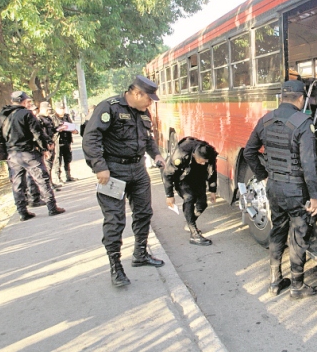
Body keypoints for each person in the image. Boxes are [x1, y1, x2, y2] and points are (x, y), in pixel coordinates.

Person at [82, 76, 166, 287]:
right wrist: (99, 166)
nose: (151, 103)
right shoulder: (108, 108)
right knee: (114, 219)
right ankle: (116, 267)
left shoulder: (143, 113)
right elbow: (91, 137)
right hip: (113, 171)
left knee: (144, 212)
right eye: (149, 98)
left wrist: (156, 154)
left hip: (138, 170)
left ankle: (140, 254)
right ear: (137, 93)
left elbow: (148, 139)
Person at [243, 79, 317, 299]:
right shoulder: (303, 123)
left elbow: (249, 152)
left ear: (281, 98)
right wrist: (315, 197)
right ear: (300, 99)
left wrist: (263, 176)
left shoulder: (265, 120)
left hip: (274, 186)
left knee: (277, 230)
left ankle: (275, 281)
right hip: (296, 189)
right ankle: (297, 286)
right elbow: (308, 165)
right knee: (298, 236)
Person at [0, 91, 65, 221]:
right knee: (42, 179)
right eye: (29, 102)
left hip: (12, 154)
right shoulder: (26, 114)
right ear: (25, 102)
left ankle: (22, 212)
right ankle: (52, 207)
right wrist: (44, 148)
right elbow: (37, 133)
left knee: (17, 183)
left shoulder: (1, 116)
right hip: (28, 152)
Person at [162, 137, 218, 246]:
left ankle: (190, 222)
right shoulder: (181, 154)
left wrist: (212, 190)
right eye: (202, 161)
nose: (204, 163)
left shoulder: (208, 153)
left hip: (198, 177)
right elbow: (167, 174)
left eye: (206, 161)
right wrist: (169, 195)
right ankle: (194, 234)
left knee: (202, 204)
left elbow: (212, 171)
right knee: (189, 198)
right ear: (194, 156)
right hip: (183, 178)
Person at [37, 101, 61, 190]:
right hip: (45, 145)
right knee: (46, 165)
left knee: (50, 164)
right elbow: (41, 133)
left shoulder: (48, 118)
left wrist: (59, 128)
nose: (49, 111)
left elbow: (52, 130)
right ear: (42, 109)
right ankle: (48, 185)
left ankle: (51, 183)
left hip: (51, 142)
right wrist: (46, 144)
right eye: (47, 109)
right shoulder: (39, 119)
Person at [53, 105, 78, 182]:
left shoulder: (66, 117)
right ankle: (58, 177)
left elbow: (72, 126)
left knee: (67, 159)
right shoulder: (53, 117)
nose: (62, 111)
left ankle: (68, 175)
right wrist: (59, 129)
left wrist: (73, 130)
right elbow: (52, 129)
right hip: (57, 141)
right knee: (58, 159)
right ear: (56, 109)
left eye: (63, 109)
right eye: (60, 109)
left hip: (66, 140)